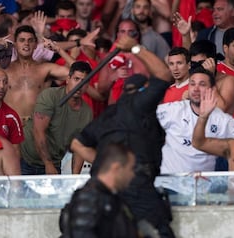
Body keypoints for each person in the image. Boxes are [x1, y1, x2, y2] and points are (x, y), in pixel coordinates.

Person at [71, 34, 175, 237]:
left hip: (108, 187)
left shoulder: (109, 114)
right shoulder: (141, 103)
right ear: (143, 90)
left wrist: (106, 164)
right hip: (136, 186)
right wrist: (135, 47)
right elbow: (163, 75)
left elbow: (76, 144)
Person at [0, 25, 70, 123]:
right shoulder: (3, 69)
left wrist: (58, 49)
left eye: (30, 40)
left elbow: (77, 73)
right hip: (9, 125)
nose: (26, 43)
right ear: (15, 45)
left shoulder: (45, 68)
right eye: (22, 40)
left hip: (35, 127)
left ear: (36, 45)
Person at [157, 67, 234, 174]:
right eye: (192, 84)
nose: (196, 89)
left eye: (202, 84)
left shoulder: (222, 120)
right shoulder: (172, 110)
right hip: (171, 185)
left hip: (204, 186)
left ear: (212, 90)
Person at [20, 61, 93, 175]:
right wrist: (48, 164)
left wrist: (74, 177)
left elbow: (80, 147)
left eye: (84, 81)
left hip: (55, 163)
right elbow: (38, 131)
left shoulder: (87, 112)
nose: (79, 85)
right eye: (76, 79)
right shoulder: (50, 95)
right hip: (26, 160)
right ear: (68, 79)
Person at [59, 142, 138, 238]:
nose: (132, 174)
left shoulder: (113, 198)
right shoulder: (89, 199)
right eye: (130, 169)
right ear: (116, 168)